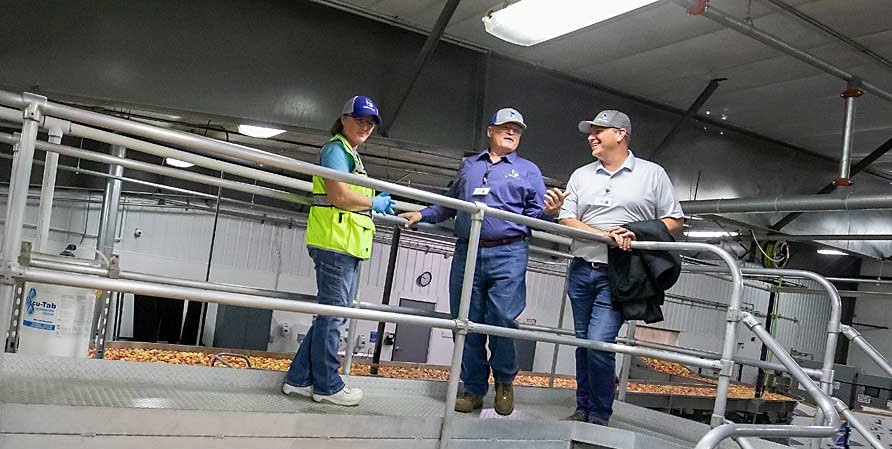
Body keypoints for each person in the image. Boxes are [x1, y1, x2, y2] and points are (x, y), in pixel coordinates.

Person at [400, 108, 564, 416]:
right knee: (465, 321)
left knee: (501, 319)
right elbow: (449, 202)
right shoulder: (469, 165)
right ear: (490, 130)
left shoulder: (528, 170)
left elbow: (535, 215)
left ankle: (504, 380)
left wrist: (551, 212)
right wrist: (422, 214)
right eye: (505, 127)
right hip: (467, 252)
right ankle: (474, 388)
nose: (512, 132)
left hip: (509, 252)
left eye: (517, 129)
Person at [557, 109, 684, 426]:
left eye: (599, 130)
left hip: (622, 273)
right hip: (582, 269)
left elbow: (675, 221)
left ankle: (600, 413)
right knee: (583, 343)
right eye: (591, 131)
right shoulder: (581, 176)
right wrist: (605, 236)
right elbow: (566, 219)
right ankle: (583, 407)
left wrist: (635, 232)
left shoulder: (652, 174)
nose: (592, 136)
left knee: (599, 342)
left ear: (621, 134)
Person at [282, 95, 395, 406]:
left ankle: (298, 379)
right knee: (334, 317)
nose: (365, 126)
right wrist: (375, 202)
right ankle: (328, 386)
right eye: (359, 119)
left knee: (330, 316)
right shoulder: (336, 150)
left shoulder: (351, 155)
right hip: (335, 243)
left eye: (370, 123)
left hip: (345, 243)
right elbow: (339, 195)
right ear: (343, 118)